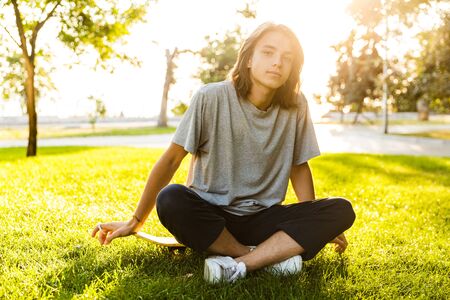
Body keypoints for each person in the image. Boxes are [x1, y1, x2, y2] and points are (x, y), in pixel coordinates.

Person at [91, 22, 356, 284]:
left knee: (342, 210)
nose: (277, 62)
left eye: (287, 57)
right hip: (212, 215)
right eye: (268, 52)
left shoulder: (297, 105)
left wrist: (310, 218)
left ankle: (241, 264)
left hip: (263, 219)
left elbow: (299, 166)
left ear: (293, 67)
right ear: (248, 58)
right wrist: (135, 221)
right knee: (171, 198)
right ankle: (263, 257)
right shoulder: (210, 97)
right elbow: (172, 159)